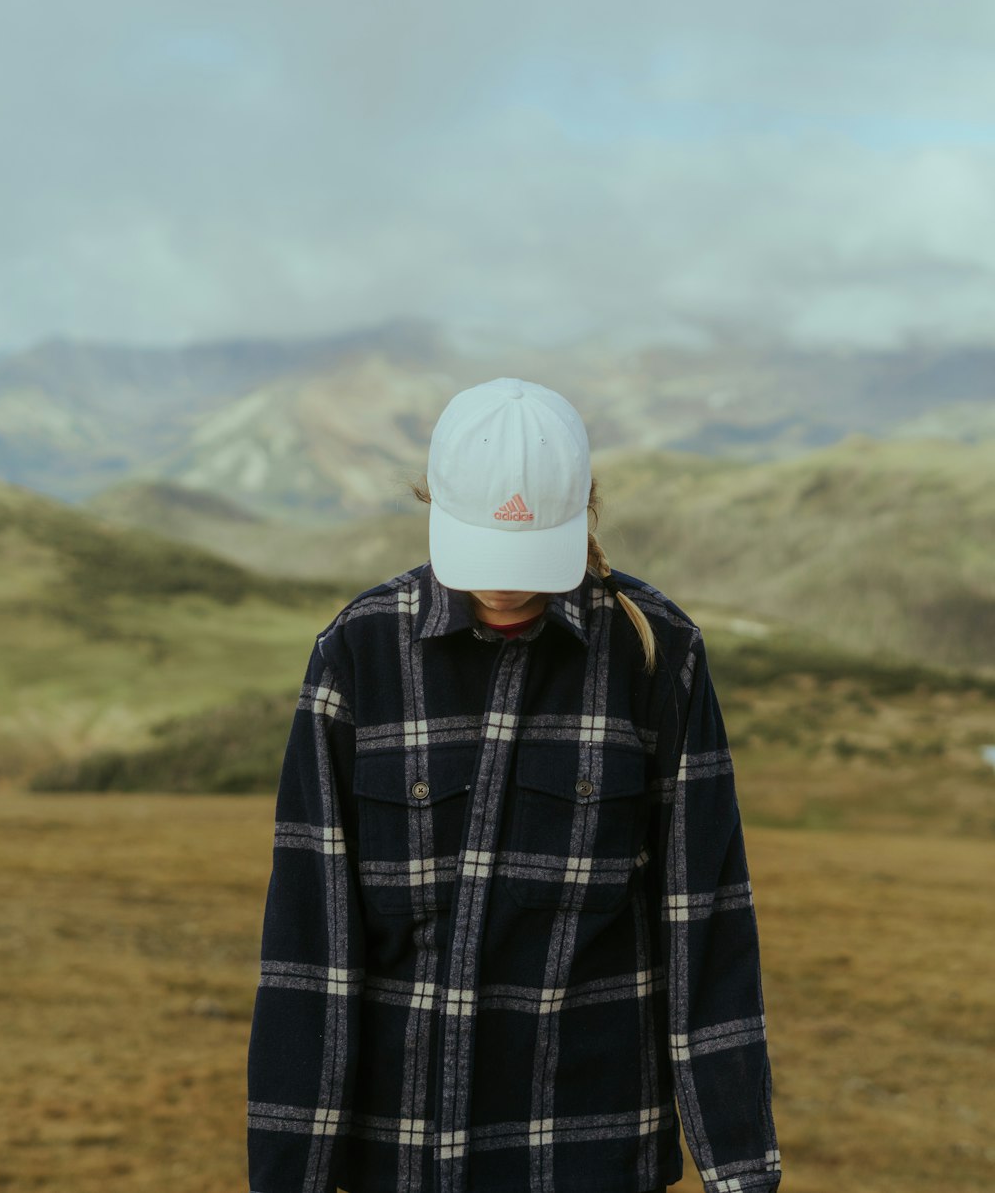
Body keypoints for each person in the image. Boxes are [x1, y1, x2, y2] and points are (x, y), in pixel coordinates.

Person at [247, 377, 781, 1193]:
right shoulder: (358, 655)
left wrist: (741, 1173)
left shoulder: (658, 659)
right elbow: (308, 948)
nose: (501, 584)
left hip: (590, 1155)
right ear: (433, 506)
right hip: (399, 1159)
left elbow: (703, 925)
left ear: (583, 516)